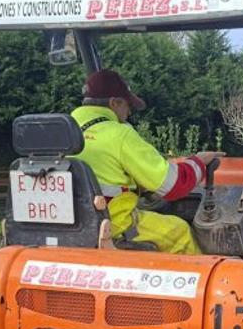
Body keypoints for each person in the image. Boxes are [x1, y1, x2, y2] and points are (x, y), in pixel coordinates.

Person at [70, 70, 222, 254]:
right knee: (180, 231)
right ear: (114, 103)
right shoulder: (119, 134)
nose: (129, 112)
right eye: (127, 106)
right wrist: (198, 162)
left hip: (69, 226)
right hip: (113, 226)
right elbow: (174, 185)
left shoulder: (63, 130)